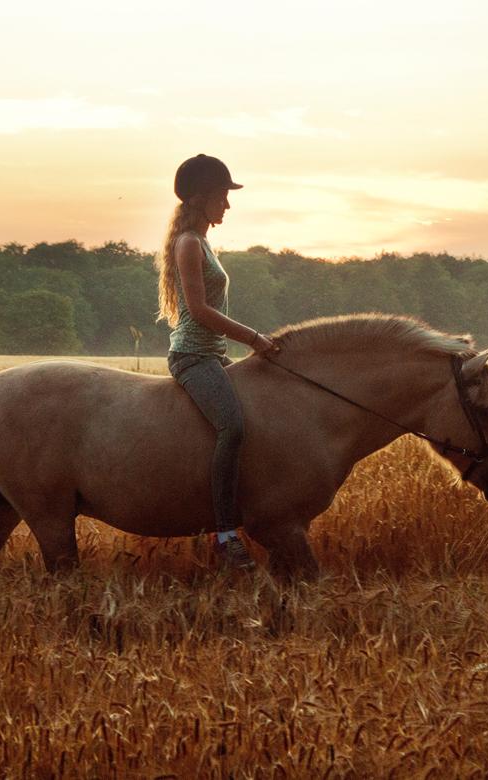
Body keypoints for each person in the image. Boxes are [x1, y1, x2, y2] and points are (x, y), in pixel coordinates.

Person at [155, 153, 276, 570]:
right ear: (201, 197)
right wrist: (254, 339)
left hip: (214, 356)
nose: (227, 204)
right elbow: (200, 310)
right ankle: (226, 535)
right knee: (233, 426)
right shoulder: (189, 244)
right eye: (223, 196)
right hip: (192, 357)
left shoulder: (203, 242)